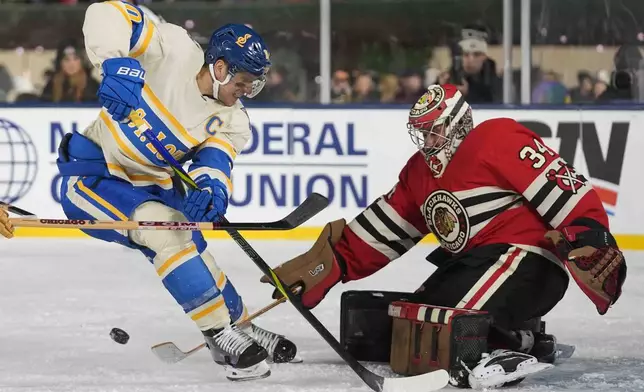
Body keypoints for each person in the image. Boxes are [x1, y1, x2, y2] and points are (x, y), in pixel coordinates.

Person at [262, 84, 627, 388]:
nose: (427, 140)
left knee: (453, 331)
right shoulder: (418, 173)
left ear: (458, 123)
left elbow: (564, 187)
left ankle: (502, 348)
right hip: (474, 265)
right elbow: (383, 229)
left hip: (527, 261)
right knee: (414, 325)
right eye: (422, 132)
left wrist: (590, 235)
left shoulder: (495, 137)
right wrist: (328, 265)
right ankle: (528, 339)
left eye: (434, 130)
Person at [54, 0, 296, 382]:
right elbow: (105, 12)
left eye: (254, 84)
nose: (246, 91)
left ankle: (240, 326)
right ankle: (218, 335)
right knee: (164, 228)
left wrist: (212, 192)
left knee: (188, 242)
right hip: (95, 177)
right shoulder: (173, 48)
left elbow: (215, 164)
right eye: (243, 81)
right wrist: (115, 63)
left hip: (150, 185)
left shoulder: (233, 120)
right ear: (219, 67)